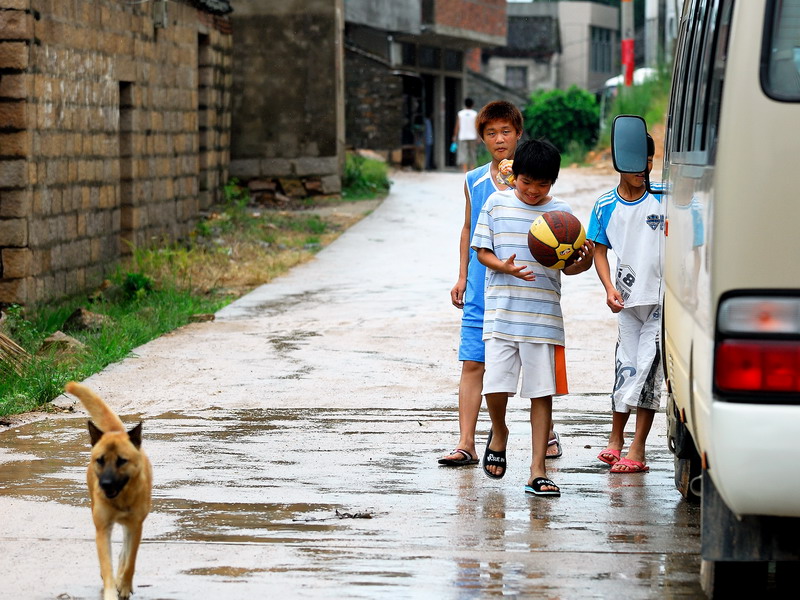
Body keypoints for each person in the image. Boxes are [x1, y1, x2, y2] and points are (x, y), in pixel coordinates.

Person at [470, 139, 595, 496]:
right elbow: (482, 252)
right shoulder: (497, 204)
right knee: (495, 387)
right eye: (527, 183)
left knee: (542, 395)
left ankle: (537, 469)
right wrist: (504, 267)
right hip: (501, 315)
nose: (534, 191)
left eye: (543, 185)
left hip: (543, 319)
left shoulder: (563, 216)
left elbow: (570, 268)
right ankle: (500, 430)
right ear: (516, 176)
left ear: (553, 183)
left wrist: (582, 261)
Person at [587, 134, 664, 474]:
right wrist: (608, 288)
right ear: (620, 162)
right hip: (627, 302)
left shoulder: (667, 197)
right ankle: (615, 439)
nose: (643, 169)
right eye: (636, 162)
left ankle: (638, 448)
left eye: (649, 160)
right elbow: (598, 251)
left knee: (649, 370)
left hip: (664, 302)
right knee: (625, 368)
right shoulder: (605, 205)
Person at [452, 98, 478, 173]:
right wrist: (478, 136)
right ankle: (472, 169)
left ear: (464, 104)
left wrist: (454, 135)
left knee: (463, 153)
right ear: (472, 105)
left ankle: (465, 170)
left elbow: (457, 126)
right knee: (472, 153)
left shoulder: (460, 113)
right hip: (472, 136)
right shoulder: (475, 113)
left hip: (462, 136)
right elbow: (476, 126)